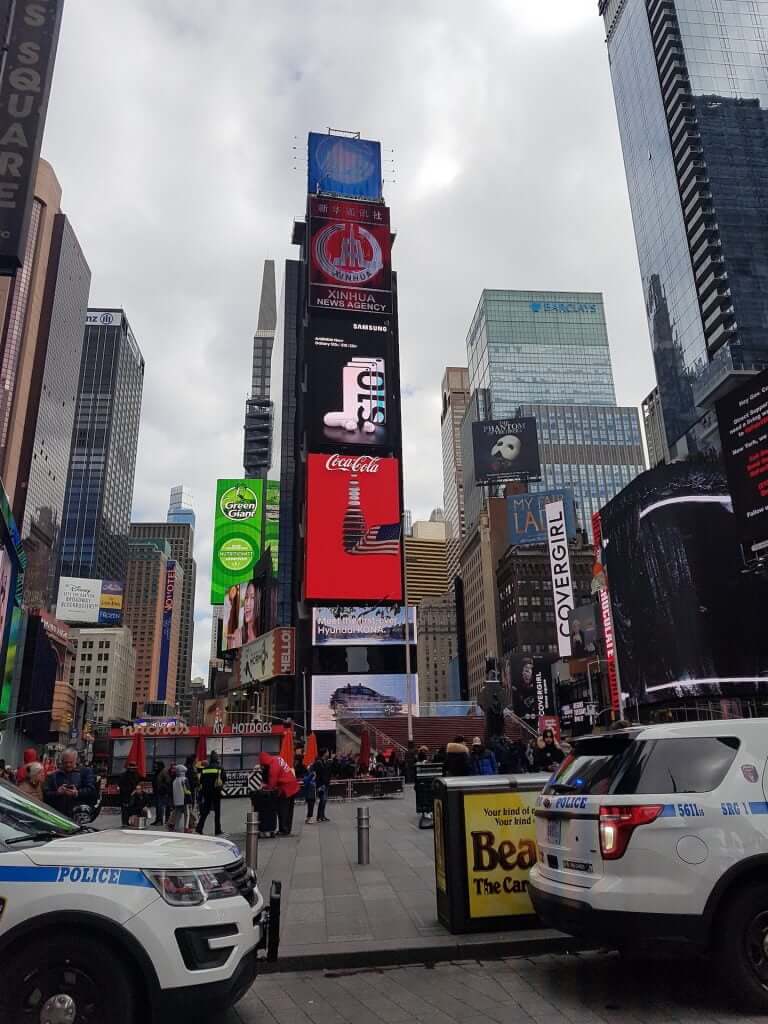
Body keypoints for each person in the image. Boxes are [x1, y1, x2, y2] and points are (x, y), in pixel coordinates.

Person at [44, 749, 97, 819]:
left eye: (71, 762)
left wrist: (77, 793)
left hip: (80, 815)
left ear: (76, 760)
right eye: (65, 762)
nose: (68, 765)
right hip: (60, 815)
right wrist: (57, 793)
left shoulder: (85, 772)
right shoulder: (54, 775)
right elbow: (46, 795)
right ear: (62, 761)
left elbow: (92, 791)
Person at [258, 751, 300, 835]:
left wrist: (265, 788)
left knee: (282, 809)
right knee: (289, 810)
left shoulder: (273, 766)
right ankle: (286, 829)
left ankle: (283, 829)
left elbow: (272, 782)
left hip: (286, 788)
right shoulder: (276, 758)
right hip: (292, 785)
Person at [197, 750, 226, 836]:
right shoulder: (220, 768)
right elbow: (224, 779)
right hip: (216, 792)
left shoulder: (205, 769)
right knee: (217, 812)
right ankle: (217, 830)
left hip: (206, 793)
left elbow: (201, 781)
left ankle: (199, 828)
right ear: (217, 758)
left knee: (205, 811)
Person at [117, 760, 142, 827]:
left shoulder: (136, 775)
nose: (132, 769)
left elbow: (137, 783)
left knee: (131, 809)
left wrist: (135, 790)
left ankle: (128, 822)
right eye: (131, 768)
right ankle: (124, 823)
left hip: (133, 794)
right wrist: (126, 791)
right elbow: (120, 785)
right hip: (125, 794)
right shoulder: (123, 775)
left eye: (134, 768)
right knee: (125, 809)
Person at [313, 749, 332, 823]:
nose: (328, 753)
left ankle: (322, 815)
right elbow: (319, 774)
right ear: (324, 753)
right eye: (327, 752)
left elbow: (328, 771)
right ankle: (319, 816)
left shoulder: (326, 761)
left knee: (324, 800)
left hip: (326, 783)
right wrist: (320, 784)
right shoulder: (318, 762)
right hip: (321, 784)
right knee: (322, 800)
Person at [171, 764, 190, 832]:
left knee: (178, 814)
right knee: (187, 814)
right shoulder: (184, 779)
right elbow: (187, 790)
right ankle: (186, 828)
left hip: (177, 800)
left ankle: (176, 827)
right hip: (184, 799)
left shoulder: (175, 781)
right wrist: (190, 799)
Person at [152, 761, 171, 826]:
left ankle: (160, 821)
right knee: (157, 807)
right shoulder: (158, 772)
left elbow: (168, 781)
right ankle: (157, 820)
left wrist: (162, 788)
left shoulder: (164, 772)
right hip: (157, 792)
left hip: (161, 793)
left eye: (157, 765)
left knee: (160, 807)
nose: (155, 766)